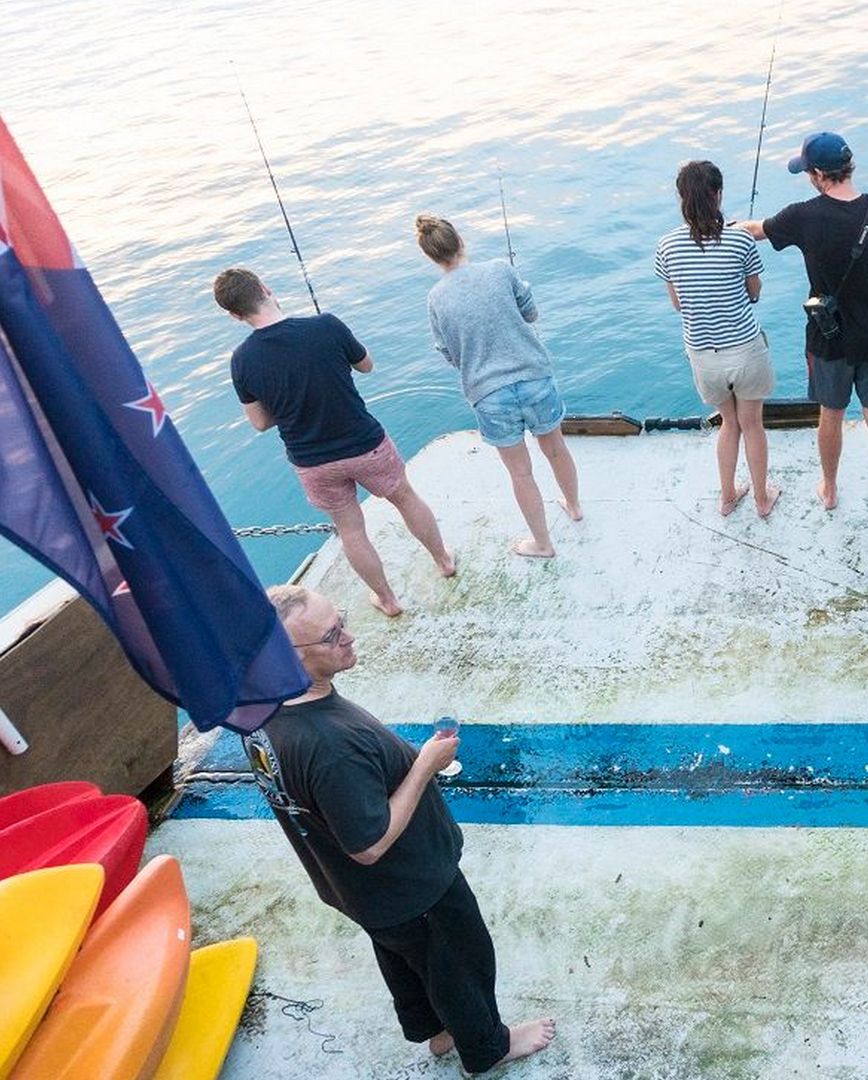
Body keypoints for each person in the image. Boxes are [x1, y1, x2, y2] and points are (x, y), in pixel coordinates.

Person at [244, 585, 555, 1074]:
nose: (348, 635)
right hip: (411, 886)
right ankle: (487, 1047)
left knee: (406, 957)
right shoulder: (329, 746)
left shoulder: (260, 710)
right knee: (460, 962)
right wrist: (425, 764)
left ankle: (436, 1031)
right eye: (331, 635)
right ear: (288, 658)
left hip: (360, 893)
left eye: (340, 618)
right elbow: (369, 845)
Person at [216, 268, 452, 616]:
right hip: (364, 443)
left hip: (312, 462)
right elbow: (367, 366)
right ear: (266, 288)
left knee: (350, 529)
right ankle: (444, 562)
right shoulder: (326, 325)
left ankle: (387, 600)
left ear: (235, 315)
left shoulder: (242, 360)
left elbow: (261, 422)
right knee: (405, 497)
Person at [741, 131, 868, 524]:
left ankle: (830, 490)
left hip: (827, 338)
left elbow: (755, 230)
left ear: (819, 174)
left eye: (807, 172)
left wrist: (720, 227)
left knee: (830, 416)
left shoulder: (803, 215)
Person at [418, 215, 583, 557]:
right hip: (534, 377)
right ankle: (574, 506)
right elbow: (531, 313)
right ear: (460, 240)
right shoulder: (499, 269)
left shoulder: (435, 298)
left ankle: (542, 543)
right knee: (555, 449)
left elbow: (448, 352)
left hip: (488, 393)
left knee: (520, 473)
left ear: (431, 257)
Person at [654, 161, 779, 517]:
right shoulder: (741, 239)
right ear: (718, 194)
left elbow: (678, 304)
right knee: (752, 424)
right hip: (745, 350)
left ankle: (727, 497)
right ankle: (761, 499)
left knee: (729, 424)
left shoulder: (667, 246)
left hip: (703, 356)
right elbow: (755, 292)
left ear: (681, 198)